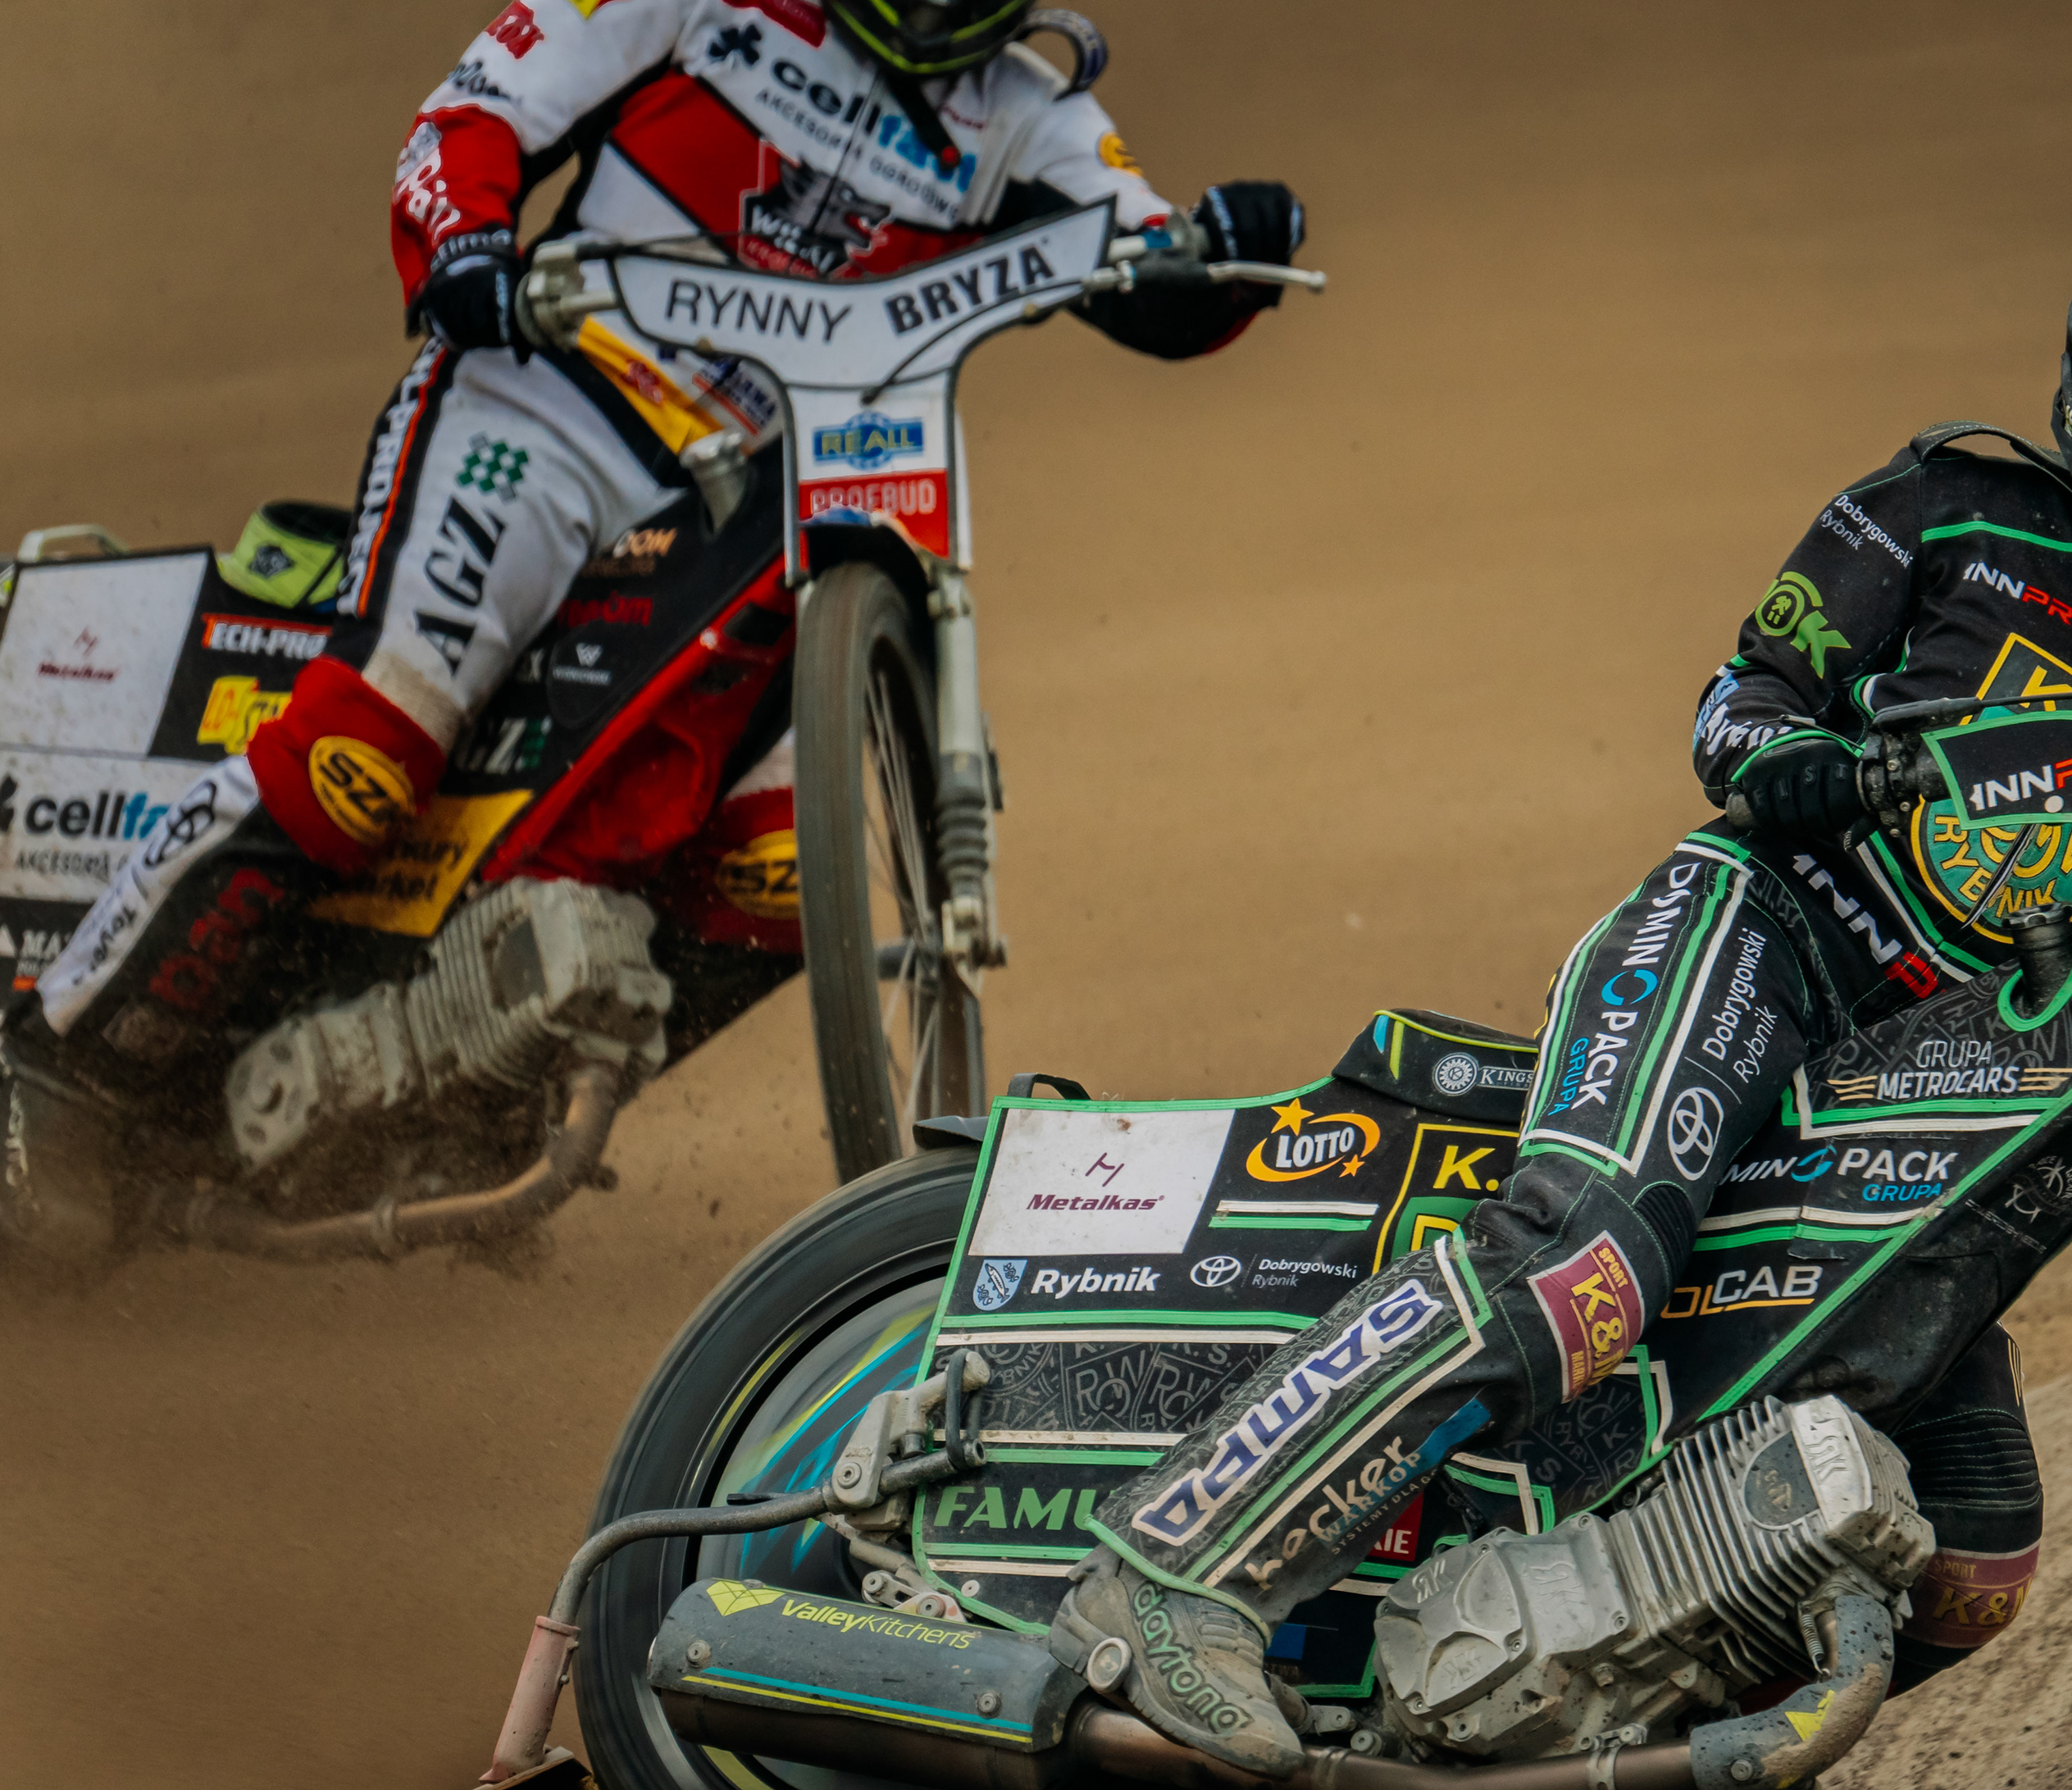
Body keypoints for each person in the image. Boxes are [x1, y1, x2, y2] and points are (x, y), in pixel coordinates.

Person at [1055, 166, 2072, 1778]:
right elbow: (1742, 698)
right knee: (1585, 1266)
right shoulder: (1948, 509)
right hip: (1765, 942)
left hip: (1948, 1096)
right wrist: (1788, 760)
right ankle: (1178, 1568)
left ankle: (1550, 1721)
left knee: (1975, 1548)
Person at [0, 0, 1301, 1236]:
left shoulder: (1032, 115)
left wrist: (1234, 249)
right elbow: (473, 117)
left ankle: (459, 1100)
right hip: (542, 414)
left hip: (749, 507)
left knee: (776, 881)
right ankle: (53, 1070)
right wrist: (465, 244)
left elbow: (1160, 273)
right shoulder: (698, 8)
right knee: (366, 755)